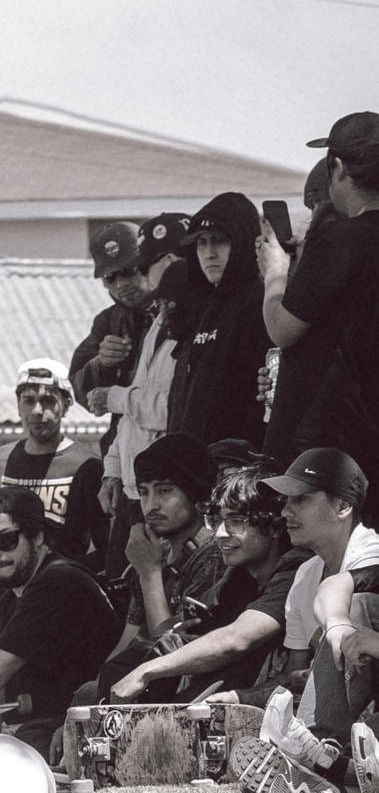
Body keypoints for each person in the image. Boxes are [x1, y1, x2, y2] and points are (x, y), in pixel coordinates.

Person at [232, 448, 379, 793]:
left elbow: (351, 596)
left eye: (301, 499)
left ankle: (318, 760)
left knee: (359, 607)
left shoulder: (371, 549)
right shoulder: (306, 573)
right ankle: (326, 771)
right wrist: (337, 629)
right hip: (358, 727)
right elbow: (338, 585)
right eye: (285, 501)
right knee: (343, 619)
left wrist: (360, 637)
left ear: (343, 506)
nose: (285, 511)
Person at [0, 485, 115, 757]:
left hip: (80, 731)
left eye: (6, 540)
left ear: (37, 536)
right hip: (38, 728)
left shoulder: (59, 581)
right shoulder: (9, 599)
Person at [260, 114, 379, 513]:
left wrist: (276, 273)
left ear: (338, 167)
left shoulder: (340, 241)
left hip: (335, 447)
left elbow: (282, 329)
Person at [110, 463, 295, 703]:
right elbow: (171, 628)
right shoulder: (239, 576)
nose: (220, 534)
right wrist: (181, 631)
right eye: (217, 521)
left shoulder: (293, 572)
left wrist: (146, 671)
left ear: (274, 526)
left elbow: (235, 640)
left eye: (235, 522)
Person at [90, 432, 225, 696]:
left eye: (164, 491)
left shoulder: (213, 555)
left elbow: (170, 648)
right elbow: (129, 639)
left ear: (196, 494)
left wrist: (149, 573)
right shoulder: (155, 552)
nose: (151, 505)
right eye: (144, 492)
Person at [91, 214, 189, 577]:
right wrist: (112, 472)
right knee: (120, 587)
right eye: (111, 277)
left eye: (137, 269)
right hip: (133, 490)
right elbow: (126, 415)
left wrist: (114, 396)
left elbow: (171, 410)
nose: (127, 282)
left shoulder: (192, 321)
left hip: (169, 494)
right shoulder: (154, 321)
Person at [167, 192, 269, 451]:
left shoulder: (260, 305)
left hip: (237, 463)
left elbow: (265, 401)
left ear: (243, 243)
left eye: (220, 241)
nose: (209, 253)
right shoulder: (199, 310)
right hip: (192, 462)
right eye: (202, 243)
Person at [0, 359, 106, 566]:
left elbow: (103, 546)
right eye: (28, 400)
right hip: (9, 580)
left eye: (48, 401)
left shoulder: (87, 466)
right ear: (18, 405)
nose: (37, 410)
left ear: (66, 406)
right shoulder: (0, 461)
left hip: (64, 581)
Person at [69, 221, 152, 410]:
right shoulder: (109, 322)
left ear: (147, 264)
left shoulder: (175, 310)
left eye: (128, 271)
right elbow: (77, 389)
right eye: (110, 277)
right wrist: (102, 365)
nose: (121, 284)